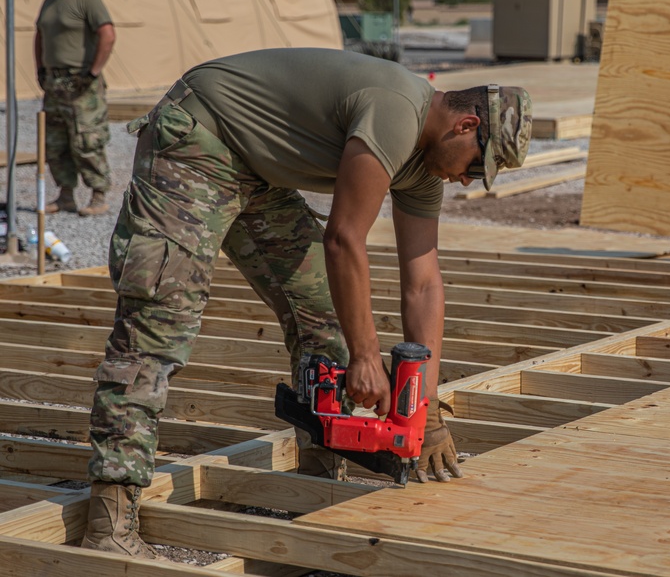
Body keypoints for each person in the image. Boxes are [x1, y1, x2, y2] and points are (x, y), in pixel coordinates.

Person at [79, 47, 532, 558]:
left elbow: (423, 283)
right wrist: (366, 357)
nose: (468, 179)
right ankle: (108, 522)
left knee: (329, 316)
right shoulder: (396, 109)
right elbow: (344, 238)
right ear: (465, 124)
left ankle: (318, 480)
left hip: (256, 168)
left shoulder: (426, 171)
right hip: (201, 136)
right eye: (476, 164)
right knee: (159, 320)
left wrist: (423, 411)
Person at [34, 0, 116, 217]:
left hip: (81, 82)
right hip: (55, 82)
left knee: (86, 139)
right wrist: (41, 69)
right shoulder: (50, 1)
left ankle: (98, 194)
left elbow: (107, 34)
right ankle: (65, 194)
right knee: (56, 141)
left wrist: (92, 72)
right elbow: (40, 36)